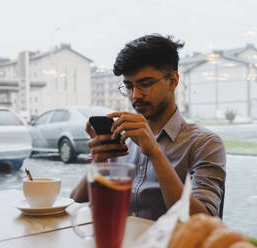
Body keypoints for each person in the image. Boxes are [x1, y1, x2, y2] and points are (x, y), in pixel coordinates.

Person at [70, 34, 226, 220]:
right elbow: (74, 208)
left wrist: (155, 153)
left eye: (146, 84)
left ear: (173, 81)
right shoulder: (122, 139)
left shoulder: (205, 143)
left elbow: (203, 221)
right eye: (128, 86)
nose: (135, 95)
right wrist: (98, 163)